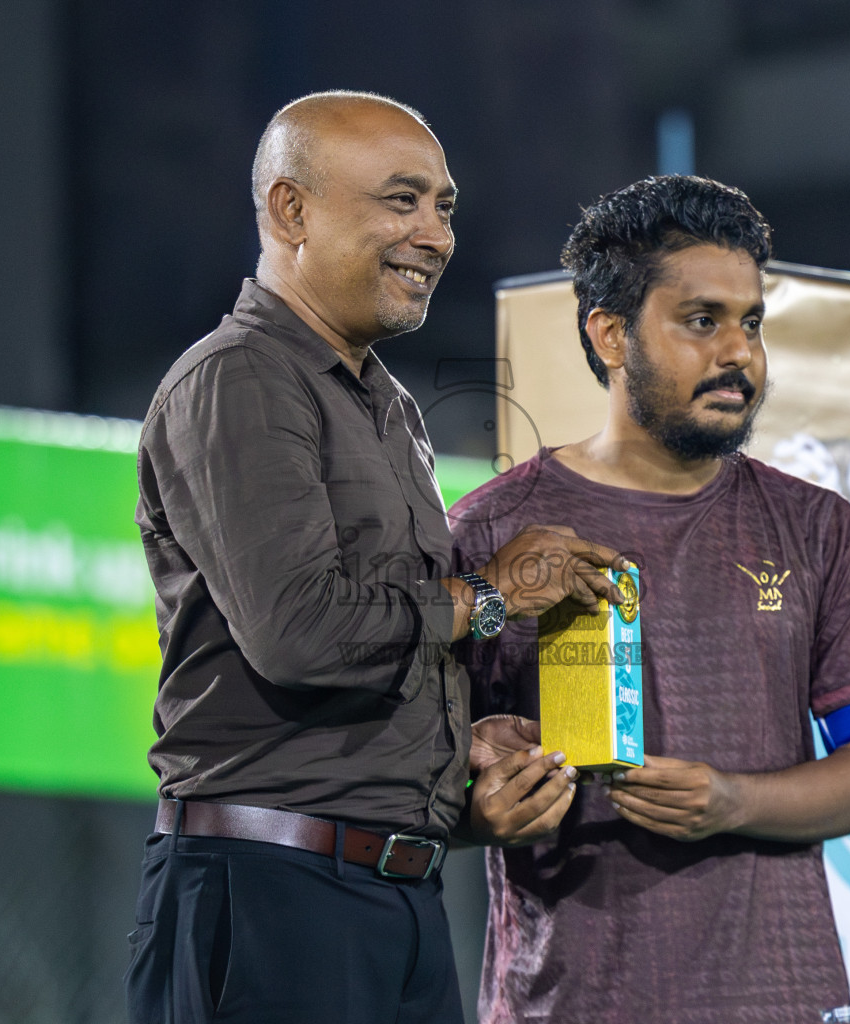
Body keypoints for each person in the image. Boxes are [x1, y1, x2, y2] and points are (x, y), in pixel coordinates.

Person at [127, 90, 627, 1024]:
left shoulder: (386, 404)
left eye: (444, 206)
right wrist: (489, 597)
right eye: (401, 201)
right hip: (273, 896)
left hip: (392, 894)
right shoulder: (238, 378)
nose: (435, 235)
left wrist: (451, 748)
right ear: (291, 211)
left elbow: (367, 637)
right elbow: (302, 632)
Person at [450, 175, 850, 1024]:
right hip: (566, 1005)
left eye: (751, 323)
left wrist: (734, 801)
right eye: (702, 321)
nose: (737, 353)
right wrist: (474, 813)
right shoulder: (491, 532)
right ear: (611, 334)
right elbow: (406, 780)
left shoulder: (817, 527)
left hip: (782, 999)